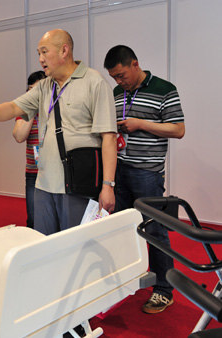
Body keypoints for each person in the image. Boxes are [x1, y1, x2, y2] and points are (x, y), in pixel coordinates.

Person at [0, 29, 117, 235]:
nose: (40, 59)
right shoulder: (44, 86)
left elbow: (109, 137)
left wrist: (108, 185)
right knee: (44, 242)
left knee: (74, 244)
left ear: (64, 50)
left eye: (44, 52)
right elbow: (13, 107)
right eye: (38, 53)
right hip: (44, 183)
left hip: (77, 184)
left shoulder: (94, 82)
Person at [104, 45, 185, 314]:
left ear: (135, 64)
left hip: (148, 172)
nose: (119, 82)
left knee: (155, 229)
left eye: (121, 75)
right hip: (119, 169)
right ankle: (130, 281)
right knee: (124, 227)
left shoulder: (164, 89)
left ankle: (163, 289)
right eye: (114, 77)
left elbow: (178, 129)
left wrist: (141, 124)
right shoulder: (117, 93)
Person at [12, 70, 46, 228]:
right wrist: (32, 108)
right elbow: (19, 136)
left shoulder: (56, 109)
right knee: (33, 220)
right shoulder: (25, 111)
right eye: (30, 90)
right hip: (33, 173)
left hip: (57, 174)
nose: (34, 94)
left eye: (38, 90)